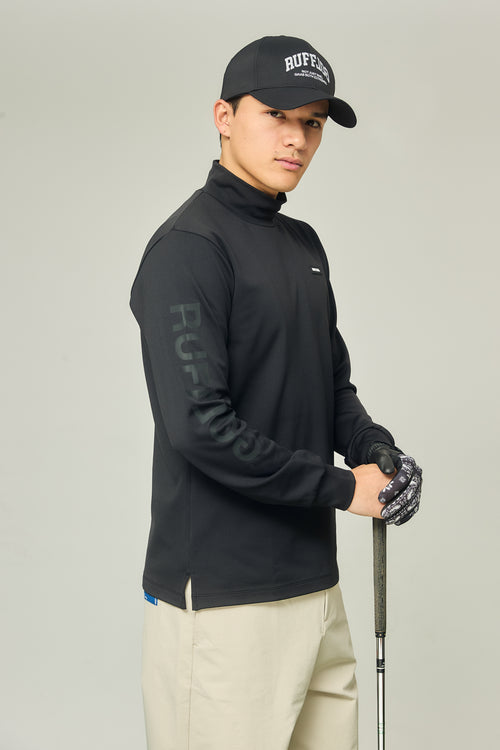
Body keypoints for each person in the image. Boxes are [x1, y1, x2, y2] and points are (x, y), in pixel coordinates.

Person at [130, 34, 422, 750]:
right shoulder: (188, 248)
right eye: (276, 115)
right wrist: (341, 488)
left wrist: (376, 450)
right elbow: (200, 426)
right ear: (224, 116)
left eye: (312, 123)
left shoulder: (303, 245)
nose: (297, 139)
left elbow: (331, 385)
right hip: (225, 604)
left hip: (316, 591)